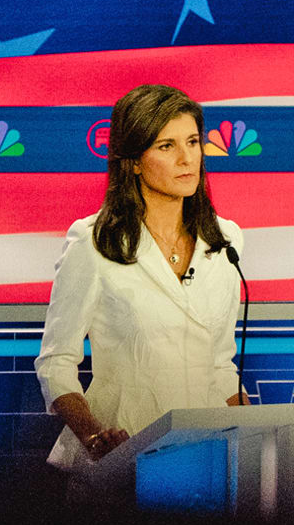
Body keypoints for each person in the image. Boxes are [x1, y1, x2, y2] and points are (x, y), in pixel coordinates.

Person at [37, 84, 247, 469]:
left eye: (193, 142)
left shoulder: (226, 239)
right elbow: (56, 362)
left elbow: (220, 364)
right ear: (133, 161)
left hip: (207, 458)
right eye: (167, 146)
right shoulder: (94, 241)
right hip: (122, 456)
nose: (187, 159)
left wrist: (255, 435)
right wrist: (93, 435)